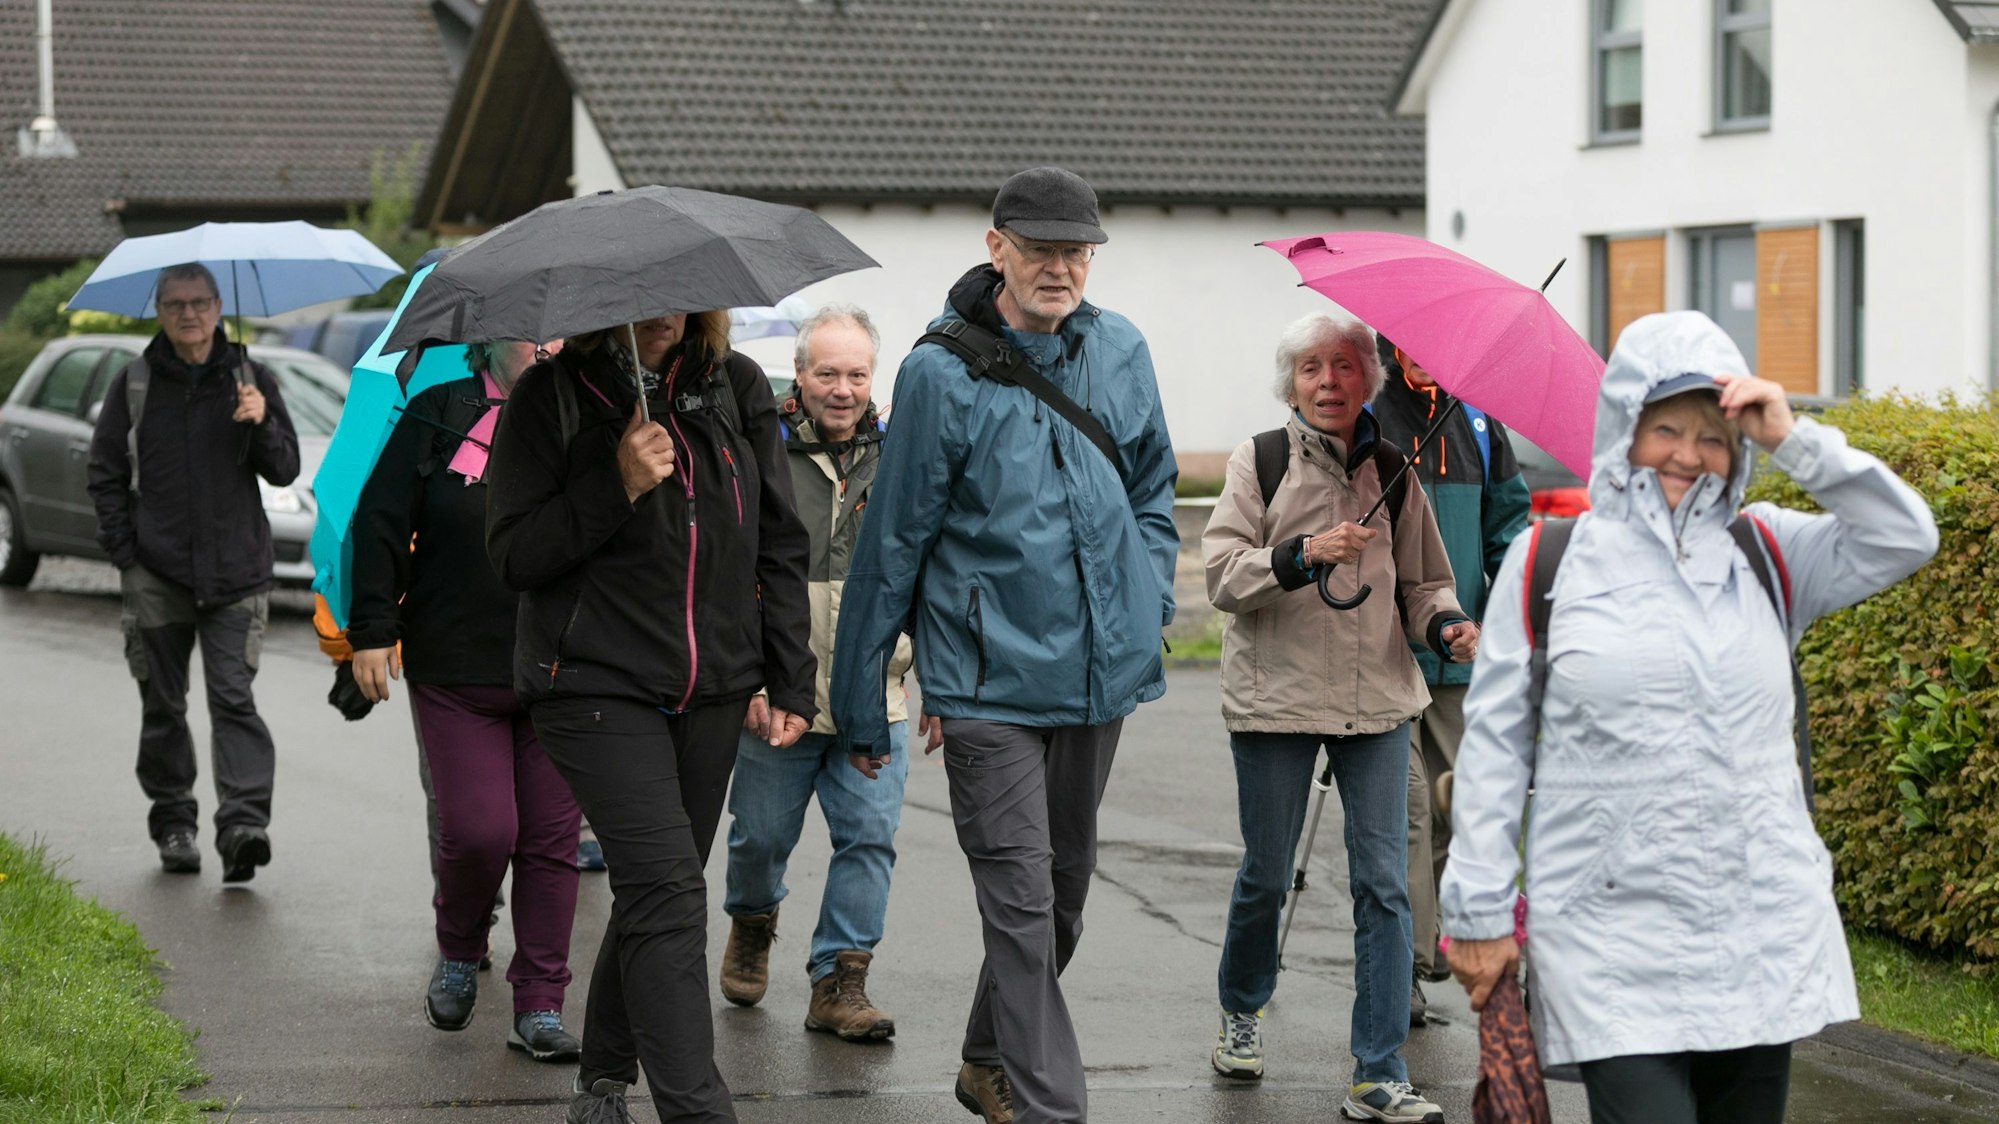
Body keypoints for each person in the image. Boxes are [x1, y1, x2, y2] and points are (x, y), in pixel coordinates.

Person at [1442, 311, 1938, 1124]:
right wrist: (1478, 914)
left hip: (1756, 929)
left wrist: (1791, 435)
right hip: (1609, 937)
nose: (1685, 454)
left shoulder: (1767, 550)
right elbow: (1496, 749)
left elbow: (1904, 536)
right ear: (1622, 430)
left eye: (1713, 436)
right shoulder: (1549, 562)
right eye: (1663, 428)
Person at [828, 166, 1179, 1124]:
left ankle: (986, 1056)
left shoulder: (1121, 350)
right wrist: (860, 696)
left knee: (1061, 898)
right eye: (1039, 248)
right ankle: (1051, 1109)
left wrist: (1148, 595)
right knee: (1020, 907)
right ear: (997, 249)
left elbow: (1152, 487)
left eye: (1076, 251)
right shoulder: (939, 371)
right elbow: (892, 540)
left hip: (1099, 675)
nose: (1060, 267)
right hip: (985, 685)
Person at [485, 309, 814, 1124]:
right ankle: (698, 1111)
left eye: (679, 290)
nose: (661, 309)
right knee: (667, 893)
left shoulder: (735, 386)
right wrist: (616, 484)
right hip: (589, 682)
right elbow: (514, 555)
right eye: (641, 295)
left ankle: (601, 1082)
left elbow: (777, 537)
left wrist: (791, 676)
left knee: (651, 895)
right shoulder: (550, 397)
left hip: (712, 685)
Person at [1201, 314, 1474, 1123]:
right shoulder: (1260, 461)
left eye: (1345, 367)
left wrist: (1446, 625)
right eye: (1312, 368)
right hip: (1275, 698)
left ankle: (1377, 1069)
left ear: (1368, 382)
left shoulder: (1396, 467)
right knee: (1266, 871)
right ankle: (1241, 1009)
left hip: (1379, 699)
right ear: (1291, 383)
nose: (1328, 382)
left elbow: (1426, 583)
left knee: (1384, 886)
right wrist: (1302, 555)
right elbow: (1220, 574)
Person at [346, 339, 584, 1062]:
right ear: (487, 338)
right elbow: (380, 520)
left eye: (557, 334)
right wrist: (371, 628)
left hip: (561, 667)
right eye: (527, 332)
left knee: (550, 844)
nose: (544, 346)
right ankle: (460, 948)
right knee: (481, 830)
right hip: (455, 664)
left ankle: (540, 1005)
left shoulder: (590, 420)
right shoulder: (435, 412)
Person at [718, 304, 922, 1041]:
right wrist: (746, 677)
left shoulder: (903, 452)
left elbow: (926, 569)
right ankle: (750, 916)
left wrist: (934, 681)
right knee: (759, 838)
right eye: (826, 373)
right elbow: (731, 571)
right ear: (797, 376)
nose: (842, 389)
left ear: (874, 379)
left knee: (869, 838)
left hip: (875, 693)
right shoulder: (756, 446)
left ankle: (840, 981)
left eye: (857, 374)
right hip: (779, 694)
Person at [86, 263, 299, 882]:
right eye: (176, 304)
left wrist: (260, 422)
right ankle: (174, 821)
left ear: (217, 306)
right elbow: (103, 475)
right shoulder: (134, 384)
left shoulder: (252, 379)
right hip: (156, 574)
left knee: (234, 700)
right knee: (163, 705)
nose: (189, 315)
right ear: (159, 311)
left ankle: (242, 827)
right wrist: (126, 552)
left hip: (237, 576)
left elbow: (284, 470)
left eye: (200, 303)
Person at [1369, 337, 1530, 1023]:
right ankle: (1396, 967)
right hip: (1378, 656)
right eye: (1408, 346)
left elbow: (1510, 528)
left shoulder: (1478, 424)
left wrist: (1491, 623)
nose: (1424, 356)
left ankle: (1435, 950)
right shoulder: (1368, 417)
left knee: (1455, 808)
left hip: (1458, 659)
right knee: (1400, 817)